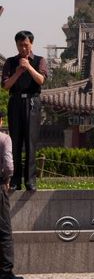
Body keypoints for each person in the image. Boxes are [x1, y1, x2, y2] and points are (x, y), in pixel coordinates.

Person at [1, 30, 48, 191]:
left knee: (30, 143)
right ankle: (15, 180)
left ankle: (30, 181)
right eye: (20, 45)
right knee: (15, 142)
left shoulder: (40, 60)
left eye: (26, 45)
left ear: (31, 44)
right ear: (16, 45)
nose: (23, 49)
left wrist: (28, 67)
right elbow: (6, 85)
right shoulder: (10, 62)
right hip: (15, 102)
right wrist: (18, 72)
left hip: (32, 102)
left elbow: (41, 80)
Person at [0, 111, 24, 279]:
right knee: (4, 231)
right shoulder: (4, 139)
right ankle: (5, 271)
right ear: (0, 121)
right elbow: (9, 165)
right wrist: (7, 179)